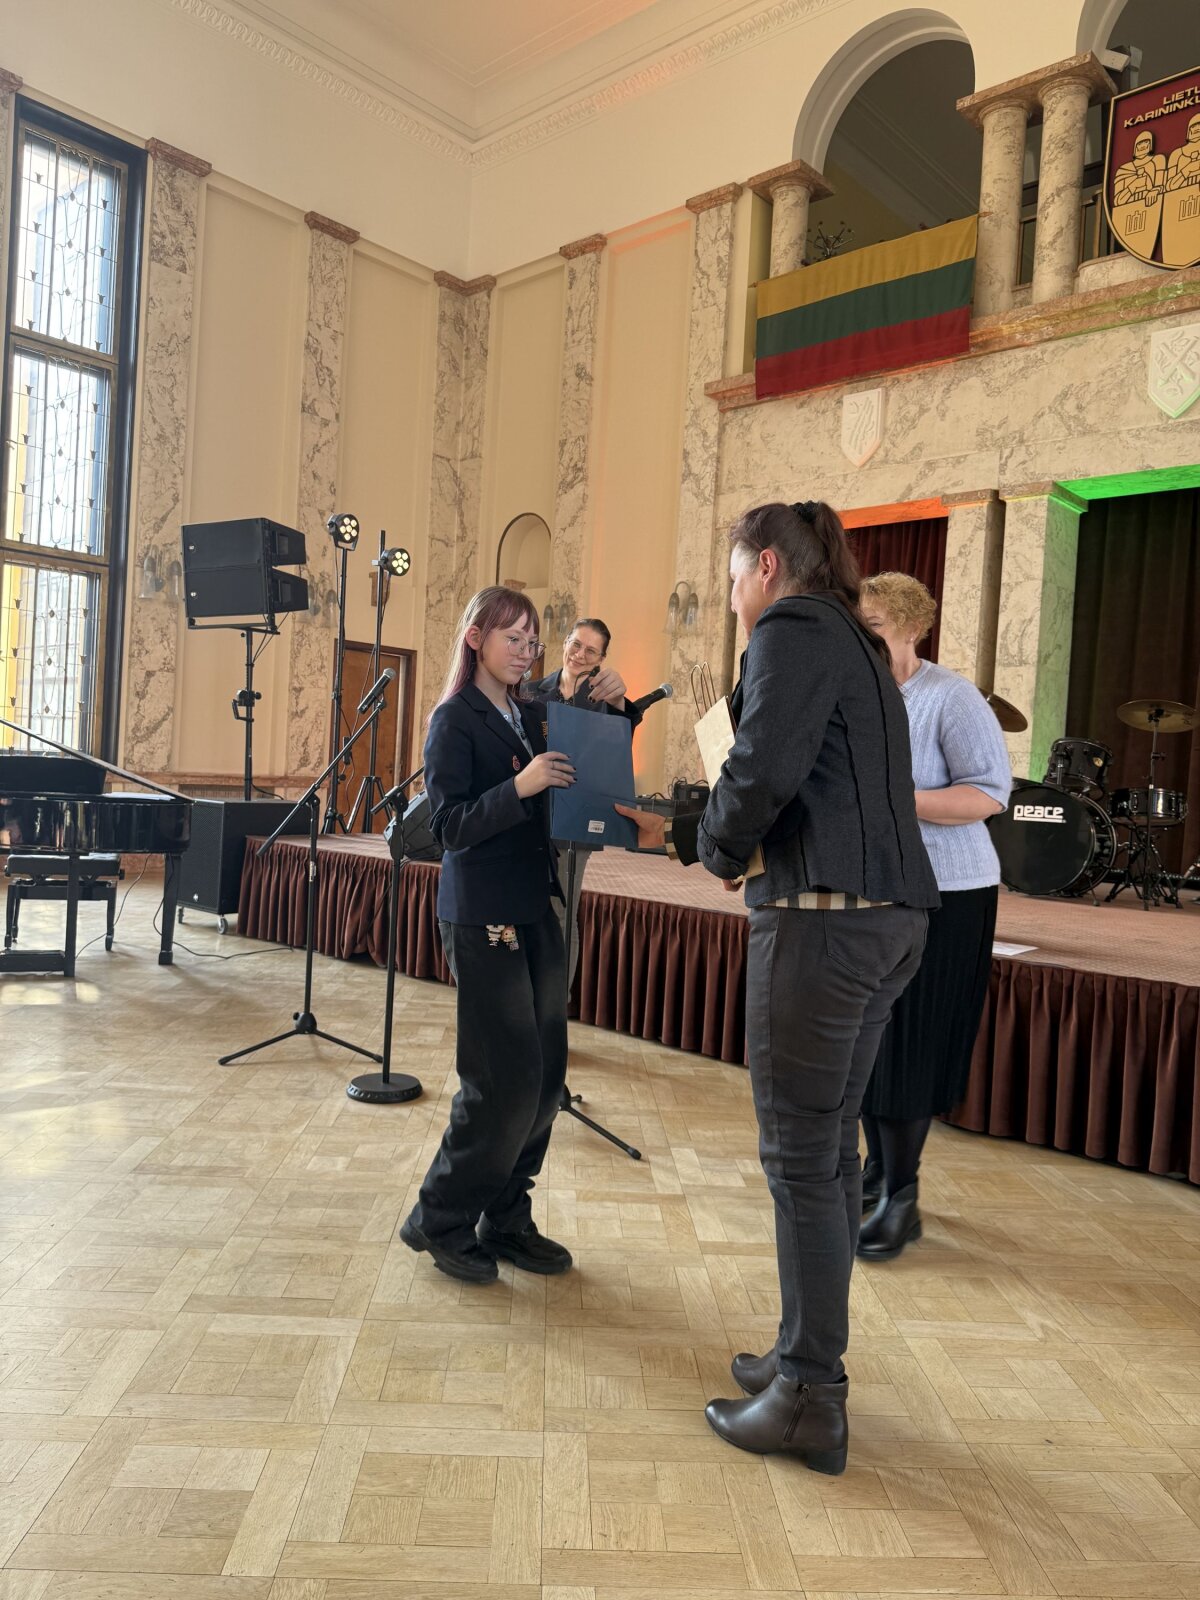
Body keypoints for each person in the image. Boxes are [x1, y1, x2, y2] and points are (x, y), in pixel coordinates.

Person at [617, 500, 938, 1476]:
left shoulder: (793, 627)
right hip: (888, 919)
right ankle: (804, 1357)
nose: (731, 599)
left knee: (800, 1157)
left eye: (731, 579)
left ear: (765, 566)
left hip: (824, 923)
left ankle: (807, 1397)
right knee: (828, 1154)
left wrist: (718, 849)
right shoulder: (859, 642)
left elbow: (761, 769)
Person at [399, 586, 577, 1285]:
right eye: (514, 638)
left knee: (546, 1077)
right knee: (501, 1080)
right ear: (476, 639)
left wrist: (617, 704)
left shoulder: (529, 714)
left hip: (534, 907)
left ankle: (505, 1217)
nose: (527, 651)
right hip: (482, 915)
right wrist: (521, 788)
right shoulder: (454, 719)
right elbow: (447, 828)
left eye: (533, 640)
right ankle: (439, 1218)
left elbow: (581, 735)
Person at [855, 573, 1011, 1260]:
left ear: (913, 629)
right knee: (870, 1040)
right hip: (874, 889)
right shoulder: (857, 696)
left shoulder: (950, 697)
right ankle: (875, 1171)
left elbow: (990, 794)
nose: (865, 640)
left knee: (912, 1045)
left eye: (876, 627)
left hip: (950, 894)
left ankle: (904, 1197)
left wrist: (900, 800)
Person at [523, 618, 643, 986]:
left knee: (560, 914)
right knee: (525, 911)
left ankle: (556, 1003)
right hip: (527, 817)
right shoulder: (530, 691)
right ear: (565, 643)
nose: (580, 654)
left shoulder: (606, 701)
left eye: (591, 650)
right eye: (576, 644)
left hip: (573, 823)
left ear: (601, 659)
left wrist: (619, 704)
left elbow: (620, 738)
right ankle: (528, 997)